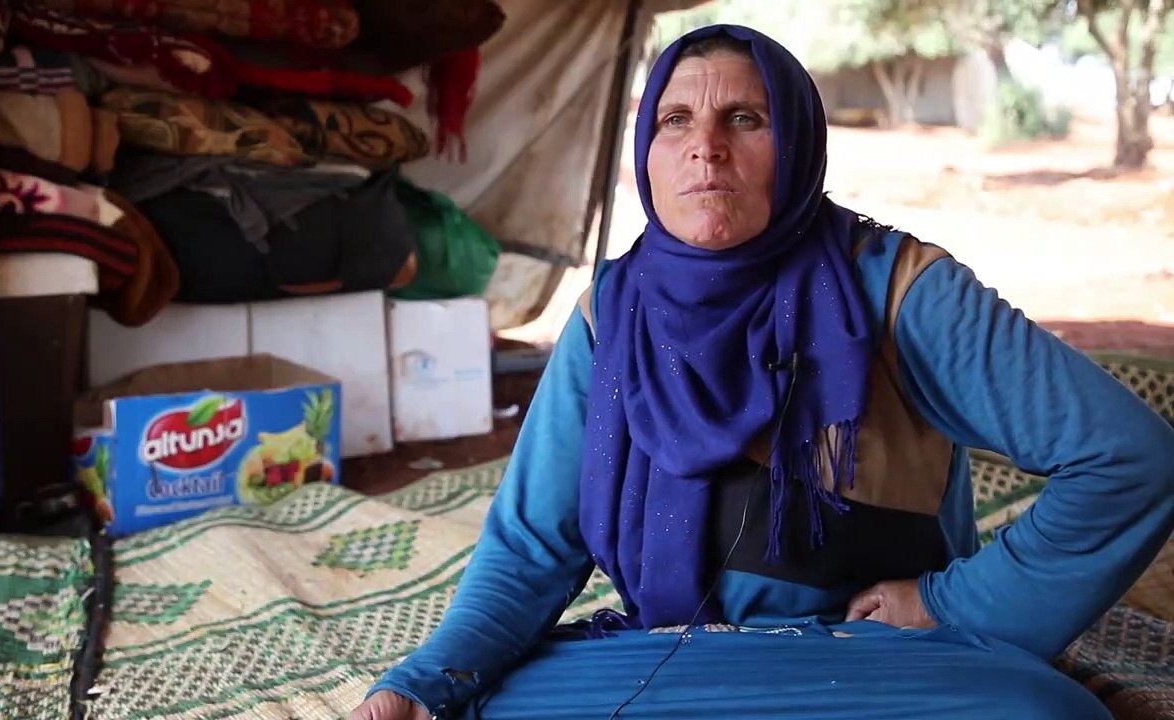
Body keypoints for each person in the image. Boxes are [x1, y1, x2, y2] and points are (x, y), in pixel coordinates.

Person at [351, 24, 1174, 720]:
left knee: (1041, 712)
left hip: (872, 660)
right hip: (667, 654)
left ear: (799, 143)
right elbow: (532, 547)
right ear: (646, 151)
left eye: (744, 117)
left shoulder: (895, 288)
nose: (704, 148)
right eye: (675, 119)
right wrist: (424, 681)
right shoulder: (611, 312)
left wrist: (947, 604)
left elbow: (1127, 458)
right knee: (479, 704)